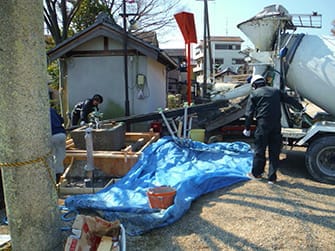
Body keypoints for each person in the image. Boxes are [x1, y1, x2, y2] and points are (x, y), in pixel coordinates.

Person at [243, 75, 304, 184]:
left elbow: (249, 113)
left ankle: (257, 174)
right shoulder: (275, 91)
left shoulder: (255, 94)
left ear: (254, 85)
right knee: (274, 152)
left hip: (262, 126)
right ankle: (272, 178)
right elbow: (289, 100)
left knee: (259, 150)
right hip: (276, 125)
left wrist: (247, 128)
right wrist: (300, 107)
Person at [50, 107, 67, 183]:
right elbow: (62, 120)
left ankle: (52, 176)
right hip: (61, 134)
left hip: (51, 135)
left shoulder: (41, 111)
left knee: (51, 156)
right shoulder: (52, 110)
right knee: (60, 156)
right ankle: (59, 175)